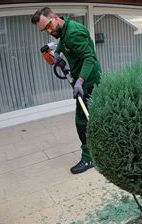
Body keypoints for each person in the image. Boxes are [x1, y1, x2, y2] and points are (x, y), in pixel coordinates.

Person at [32, 7, 101, 174]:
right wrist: (56, 56)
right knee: (90, 117)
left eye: (48, 26)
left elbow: (89, 57)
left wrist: (80, 81)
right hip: (81, 79)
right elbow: (63, 47)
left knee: (82, 121)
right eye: (44, 30)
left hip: (88, 81)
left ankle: (88, 159)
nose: (48, 31)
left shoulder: (73, 33)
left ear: (55, 17)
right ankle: (97, 151)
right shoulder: (64, 32)